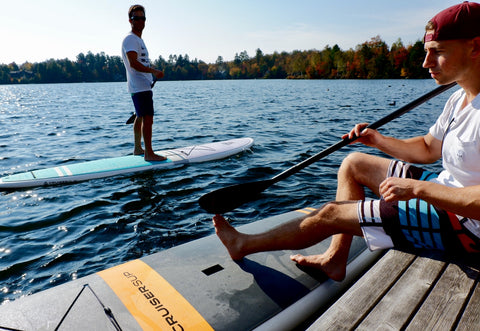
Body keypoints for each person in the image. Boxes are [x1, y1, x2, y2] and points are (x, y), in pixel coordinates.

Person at [213, 1, 480, 282]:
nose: (426, 63)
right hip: (447, 194)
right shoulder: (459, 97)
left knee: (330, 213)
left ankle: (242, 245)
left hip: (469, 228)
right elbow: (428, 148)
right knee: (354, 163)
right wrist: (378, 140)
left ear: (475, 46)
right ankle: (335, 259)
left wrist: (418, 189)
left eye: (437, 52)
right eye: (426, 52)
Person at [122, 4, 166, 161]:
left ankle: (138, 149)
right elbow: (133, 63)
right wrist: (154, 72)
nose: (140, 21)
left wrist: (152, 73)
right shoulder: (131, 39)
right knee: (148, 117)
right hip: (139, 86)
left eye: (143, 18)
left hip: (141, 86)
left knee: (139, 116)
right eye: (136, 18)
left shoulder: (137, 40)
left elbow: (140, 63)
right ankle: (149, 153)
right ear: (130, 20)